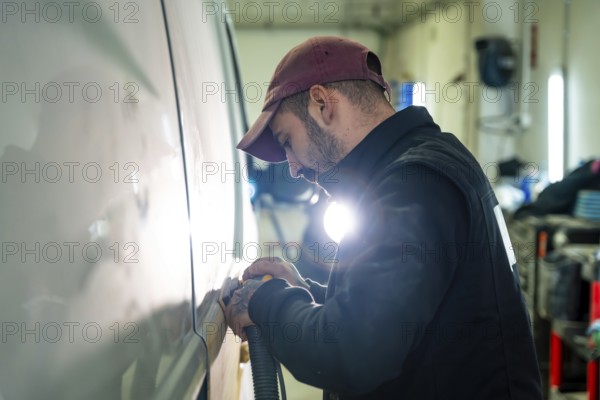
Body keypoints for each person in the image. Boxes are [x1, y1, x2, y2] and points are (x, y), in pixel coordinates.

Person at [226, 36, 542, 399]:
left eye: (286, 141)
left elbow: (352, 351)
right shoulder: (429, 162)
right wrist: (305, 295)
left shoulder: (413, 185)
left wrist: (267, 302)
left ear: (322, 103)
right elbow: (400, 317)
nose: (293, 168)